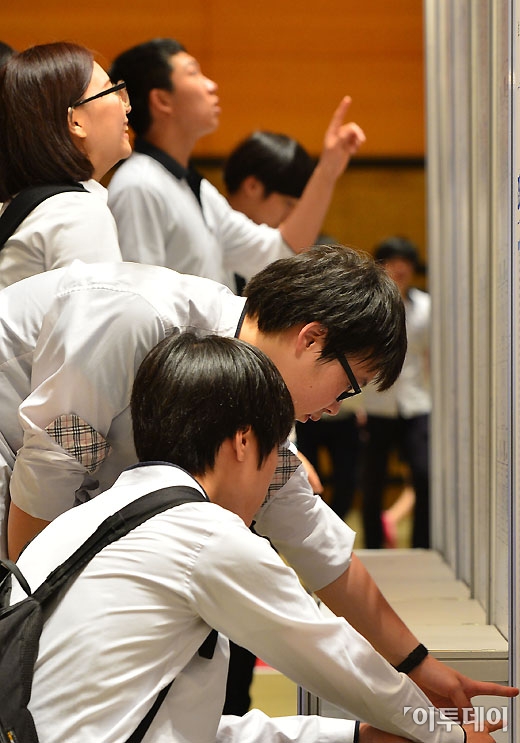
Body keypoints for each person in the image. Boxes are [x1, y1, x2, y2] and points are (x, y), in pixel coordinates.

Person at [0, 246, 516, 721]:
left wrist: (419, 664)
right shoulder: (134, 317)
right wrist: (28, 635)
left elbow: (312, 537)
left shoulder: (258, 401)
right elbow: (46, 477)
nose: (334, 408)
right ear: (311, 338)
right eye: (348, 386)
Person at [107, 38, 365, 290]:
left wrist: (328, 170)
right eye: (193, 73)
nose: (211, 85)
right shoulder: (139, 186)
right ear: (162, 100)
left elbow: (279, 250)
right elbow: (140, 302)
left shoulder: (198, 190)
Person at [0, 42, 131, 289]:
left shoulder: (33, 203)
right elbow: (97, 312)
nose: (126, 106)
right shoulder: (76, 213)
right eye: (112, 91)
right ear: (76, 121)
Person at [361, 236, 431, 548]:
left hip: (417, 404)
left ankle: (422, 544)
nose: (400, 268)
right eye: (392, 261)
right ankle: (373, 546)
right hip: (377, 405)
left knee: (423, 475)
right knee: (372, 480)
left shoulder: (427, 307)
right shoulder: (368, 306)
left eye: (406, 262)